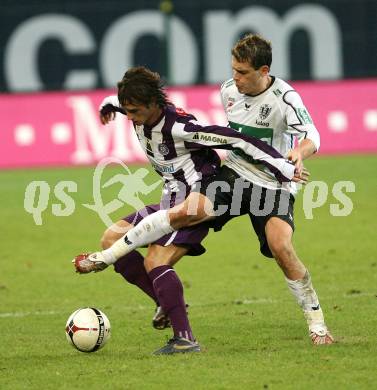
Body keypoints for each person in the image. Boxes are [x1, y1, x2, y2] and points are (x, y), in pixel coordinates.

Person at [76, 34, 334, 346]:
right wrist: (109, 105)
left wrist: (296, 156)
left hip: (273, 184)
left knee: (280, 247)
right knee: (180, 220)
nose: (234, 78)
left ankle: (316, 321)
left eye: (242, 72)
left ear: (263, 71)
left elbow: (313, 135)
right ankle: (162, 302)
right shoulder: (228, 92)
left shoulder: (285, 98)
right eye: (233, 70)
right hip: (233, 176)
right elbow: (136, 105)